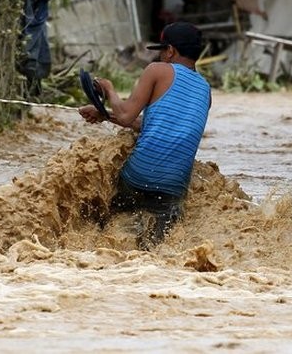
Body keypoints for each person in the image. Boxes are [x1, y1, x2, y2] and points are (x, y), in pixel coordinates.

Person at [79, 22, 211, 249]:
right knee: (155, 250)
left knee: (101, 225)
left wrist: (109, 89)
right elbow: (152, 125)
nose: (161, 55)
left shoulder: (158, 70)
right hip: (173, 188)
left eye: (162, 50)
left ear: (170, 51)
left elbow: (127, 116)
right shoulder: (205, 90)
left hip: (139, 177)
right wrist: (105, 116)